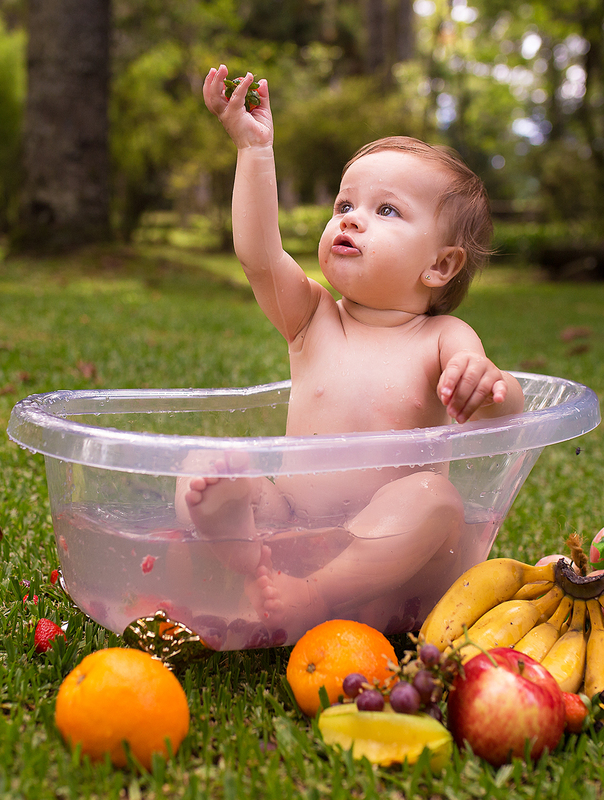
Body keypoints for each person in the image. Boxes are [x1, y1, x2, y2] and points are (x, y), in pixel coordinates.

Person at [178, 65, 524, 638]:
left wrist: (485, 384)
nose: (352, 218)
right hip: (288, 527)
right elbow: (260, 256)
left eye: (385, 210)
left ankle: (315, 595)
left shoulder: (443, 338)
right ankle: (244, 554)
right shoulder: (311, 318)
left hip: (392, 562)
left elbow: (504, 411)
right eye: (344, 205)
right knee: (200, 468)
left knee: (436, 499)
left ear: (440, 265)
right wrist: (253, 148)